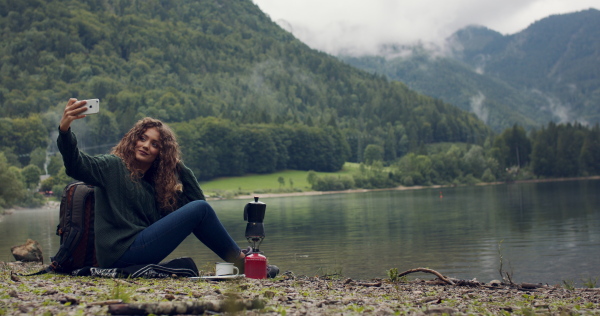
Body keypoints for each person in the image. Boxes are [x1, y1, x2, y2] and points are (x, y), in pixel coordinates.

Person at [57, 98, 247, 270]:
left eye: (155, 144)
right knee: (201, 209)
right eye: (143, 138)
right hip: (119, 253)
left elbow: (197, 207)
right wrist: (65, 130)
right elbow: (76, 165)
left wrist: (177, 166)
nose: (146, 146)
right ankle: (243, 262)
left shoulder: (156, 187)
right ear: (133, 140)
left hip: (140, 248)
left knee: (199, 209)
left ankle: (242, 262)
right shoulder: (112, 166)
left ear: (161, 154)